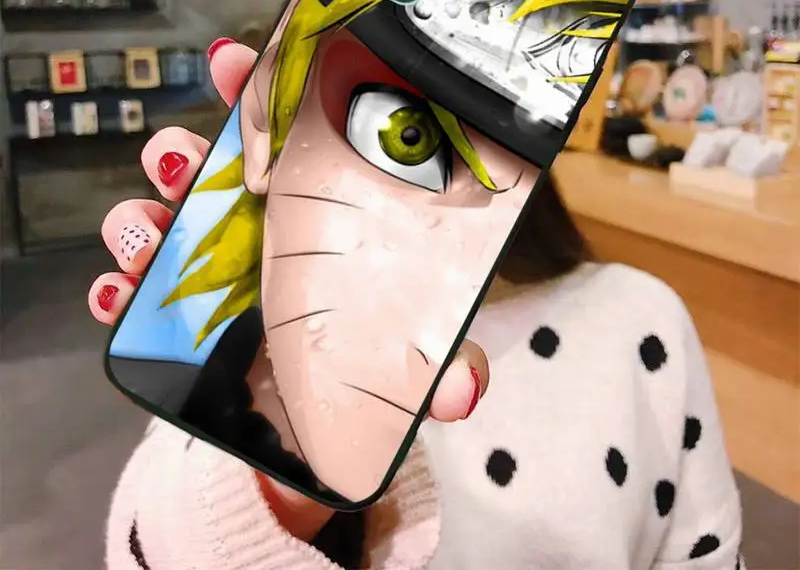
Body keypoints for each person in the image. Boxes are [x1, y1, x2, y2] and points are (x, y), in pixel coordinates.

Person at [88, 36, 745, 570]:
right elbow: (150, 545)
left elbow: (706, 554)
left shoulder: (637, 317)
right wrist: (278, 477)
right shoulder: (251, 334)